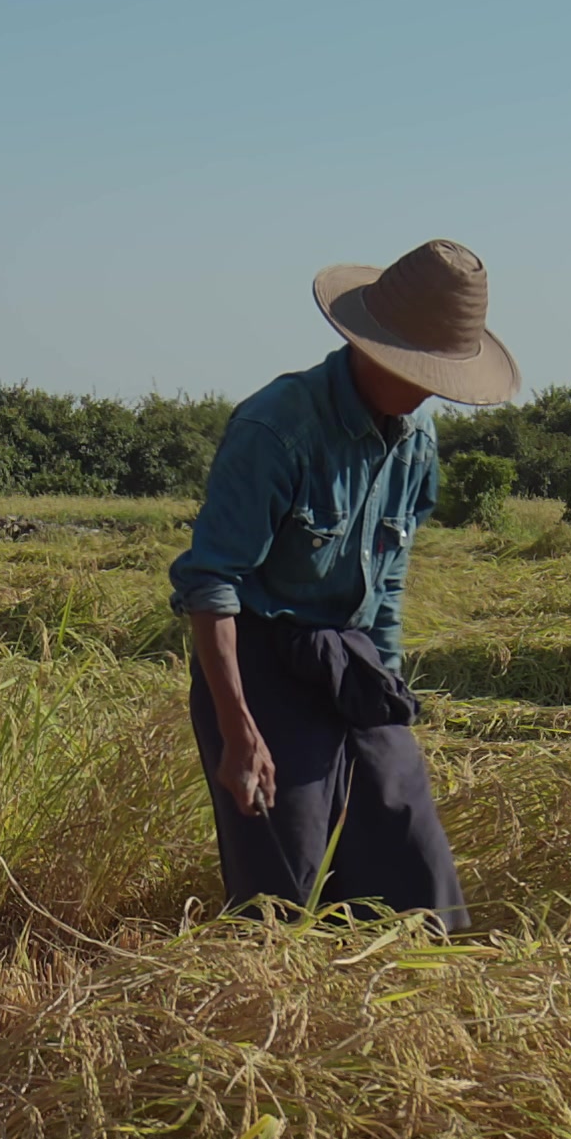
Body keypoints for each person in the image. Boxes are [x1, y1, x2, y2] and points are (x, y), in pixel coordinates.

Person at [166, 239, 520, 929]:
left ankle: (401, 1016)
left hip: (349, 659)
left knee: (412, 859)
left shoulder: (415, 442)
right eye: (418, 369)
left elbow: (385, 588)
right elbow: (211, 585)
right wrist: (239, 731)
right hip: (261, 662)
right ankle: (275, 1015)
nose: (427, 389)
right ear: (373, 348)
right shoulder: (277, 429)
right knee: (282, 885)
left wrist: (383, 690)